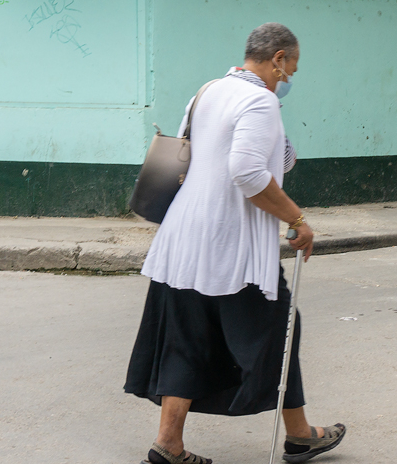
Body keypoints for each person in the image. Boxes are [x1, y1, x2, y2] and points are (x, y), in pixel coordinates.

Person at [125, 23, 345, 464]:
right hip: (230, 247)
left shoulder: (207, 91)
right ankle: (300, 435)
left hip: (183, 241)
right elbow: (246, 172)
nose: (288, 81)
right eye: (290, 70)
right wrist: (297, 219)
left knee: (186, 339)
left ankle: (169, 443)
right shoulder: (259, 101)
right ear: (277, 58)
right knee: (281, 331)